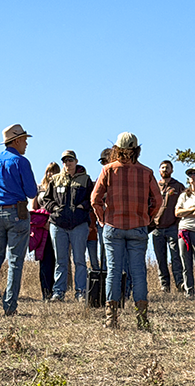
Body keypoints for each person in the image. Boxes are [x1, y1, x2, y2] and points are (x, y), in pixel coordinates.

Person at [91, 132, 161, 329]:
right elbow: (159, 200)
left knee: (113, 271)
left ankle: (111, 318)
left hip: (113, 226)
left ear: (117, 149)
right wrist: (147, 217)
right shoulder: (146, 172)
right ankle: (141, 318)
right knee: (138, 272)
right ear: (136, 150)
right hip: (138, 226)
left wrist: (102, 219)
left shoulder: (108, 170)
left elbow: (95, 199)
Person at [0, 124, 38, 316]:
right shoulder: (21, 162)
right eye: (25, 140)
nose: (26, 144)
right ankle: (10, 304)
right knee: (15, 261)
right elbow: (31, 192)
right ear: (17, 140)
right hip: (17, 212)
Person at [41, 150, 93, 301]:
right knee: (61, 260)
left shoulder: (85, 179)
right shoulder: (55, 179)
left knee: (79, 259)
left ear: (76, 161)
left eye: (70, 160)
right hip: (58, 224)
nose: (67, 163)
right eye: (65, 161)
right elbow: (47, 199)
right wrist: (55, 209)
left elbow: (92, 198)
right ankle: (58, 292)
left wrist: (83, 206)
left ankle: (81, 291)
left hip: (79, 224)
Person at [150, 160, 185, 293]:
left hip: (172, 227)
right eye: (163, 168)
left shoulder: (178, 186)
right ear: (159, 170)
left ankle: (180, 283)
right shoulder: (154, 186)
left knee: (176, 257)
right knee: (160, 259)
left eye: (167, 168)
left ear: (172, 170)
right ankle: (164, 286)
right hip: (156, 228)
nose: (165, 170)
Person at [30, 163, 58, 301]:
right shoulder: (39, 189)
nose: (50, 174)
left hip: (57, 225)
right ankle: (45, 293)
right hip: (41, 229)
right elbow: (33, 207)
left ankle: (57, 291)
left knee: (58, 259)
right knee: (44, 260)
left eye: (53, 172)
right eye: (48, 172)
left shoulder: (60, 187)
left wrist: (51, 220)